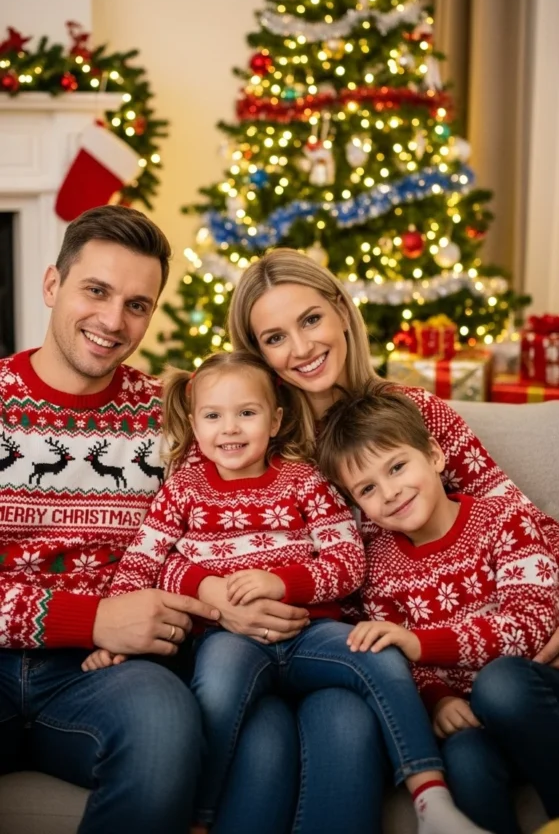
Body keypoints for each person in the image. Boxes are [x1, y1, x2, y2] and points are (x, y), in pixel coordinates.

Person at [83, 350, 489, 834]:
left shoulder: (305, 480)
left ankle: (431, 799)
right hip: (227, 638)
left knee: (382, 656)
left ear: (275, 420)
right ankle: (199, 817)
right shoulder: (183, 488)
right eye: (214, 416)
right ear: (194, 423)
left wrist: (282, 582)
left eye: (247, 414)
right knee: (216, 685)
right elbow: (144, 559)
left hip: (310, 631)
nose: (230, 429)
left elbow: (348, 563)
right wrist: (112, 637)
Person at [222, 245, 559, 826]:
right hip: (309, 648)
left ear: (339, 311)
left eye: (309, 320)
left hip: (399, 657)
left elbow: (522, 525)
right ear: (259, 356)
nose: (301, 349)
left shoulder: (417, 415)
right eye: (275, 338)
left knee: (420, 725)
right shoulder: (263, 445)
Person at [0, 207, 299, 834]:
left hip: (103, 676)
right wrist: (91, 616)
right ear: (53, 285)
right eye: (96, 291)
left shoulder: (174, 417)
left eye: (138, 304)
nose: (113, 321)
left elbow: (221, 524)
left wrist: (215, 592)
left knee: (165, 724)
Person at [316, 382, 559, 834]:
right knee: (463, 756)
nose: (389, 492)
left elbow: (529, 626)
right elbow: (398, 653)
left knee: (500, 683)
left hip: (533, 699)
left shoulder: (503, 520)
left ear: (434, 455)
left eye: (397, 467)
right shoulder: (382, 565)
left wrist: (420, 643)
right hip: (475, 724)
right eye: (367, 488)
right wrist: (437, 698)